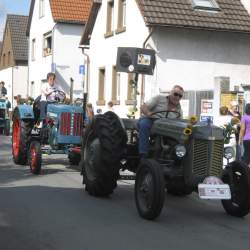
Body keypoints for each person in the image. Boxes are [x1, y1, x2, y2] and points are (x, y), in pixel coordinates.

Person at [138, 85, 184, 157]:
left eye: (180, 96)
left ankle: (175, 153)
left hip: (166, 125)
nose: (177, 97)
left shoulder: (179, 109)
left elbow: (180, 122)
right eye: (175, 94)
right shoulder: (159, 98)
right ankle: (143, 153)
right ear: (170, 93)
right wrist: (148, 113)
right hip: (151, 119)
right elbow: (143, 107)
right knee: (144, 124)